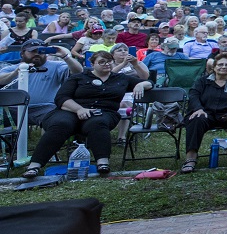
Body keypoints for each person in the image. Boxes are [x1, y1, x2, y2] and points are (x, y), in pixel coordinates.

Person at [22, 50, 152, 179]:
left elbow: (148, 81)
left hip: (104, 112)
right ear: (92, 64)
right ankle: (34, 165)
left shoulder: (121, 78)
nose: (106, 64)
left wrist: (141, 85)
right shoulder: (78, 77)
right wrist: (79, 109)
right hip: (70, 110)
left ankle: (102, 163)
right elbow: (61, 98)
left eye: (109, 62)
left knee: (98, 123)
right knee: (60, 124)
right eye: (102, 62)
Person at [180, 52, 227, 173]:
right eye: (220, 64)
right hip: (205, 114)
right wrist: (198, 109)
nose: (223, 67)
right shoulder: (202, 81)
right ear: (214, 67)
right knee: (196, 119)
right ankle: (191, 159)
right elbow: (193, 96)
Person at [0, 39, 84, 125]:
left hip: (45, 108)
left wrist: (65, 57)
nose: (37, 53)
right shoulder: (12, 68)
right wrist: (16, 72)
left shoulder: (57, 66)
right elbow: (1, 80)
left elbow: (78, 71)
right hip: (13, 108)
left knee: (56, 121)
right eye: (32, 51)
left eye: (41, 51)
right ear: (22, 54)